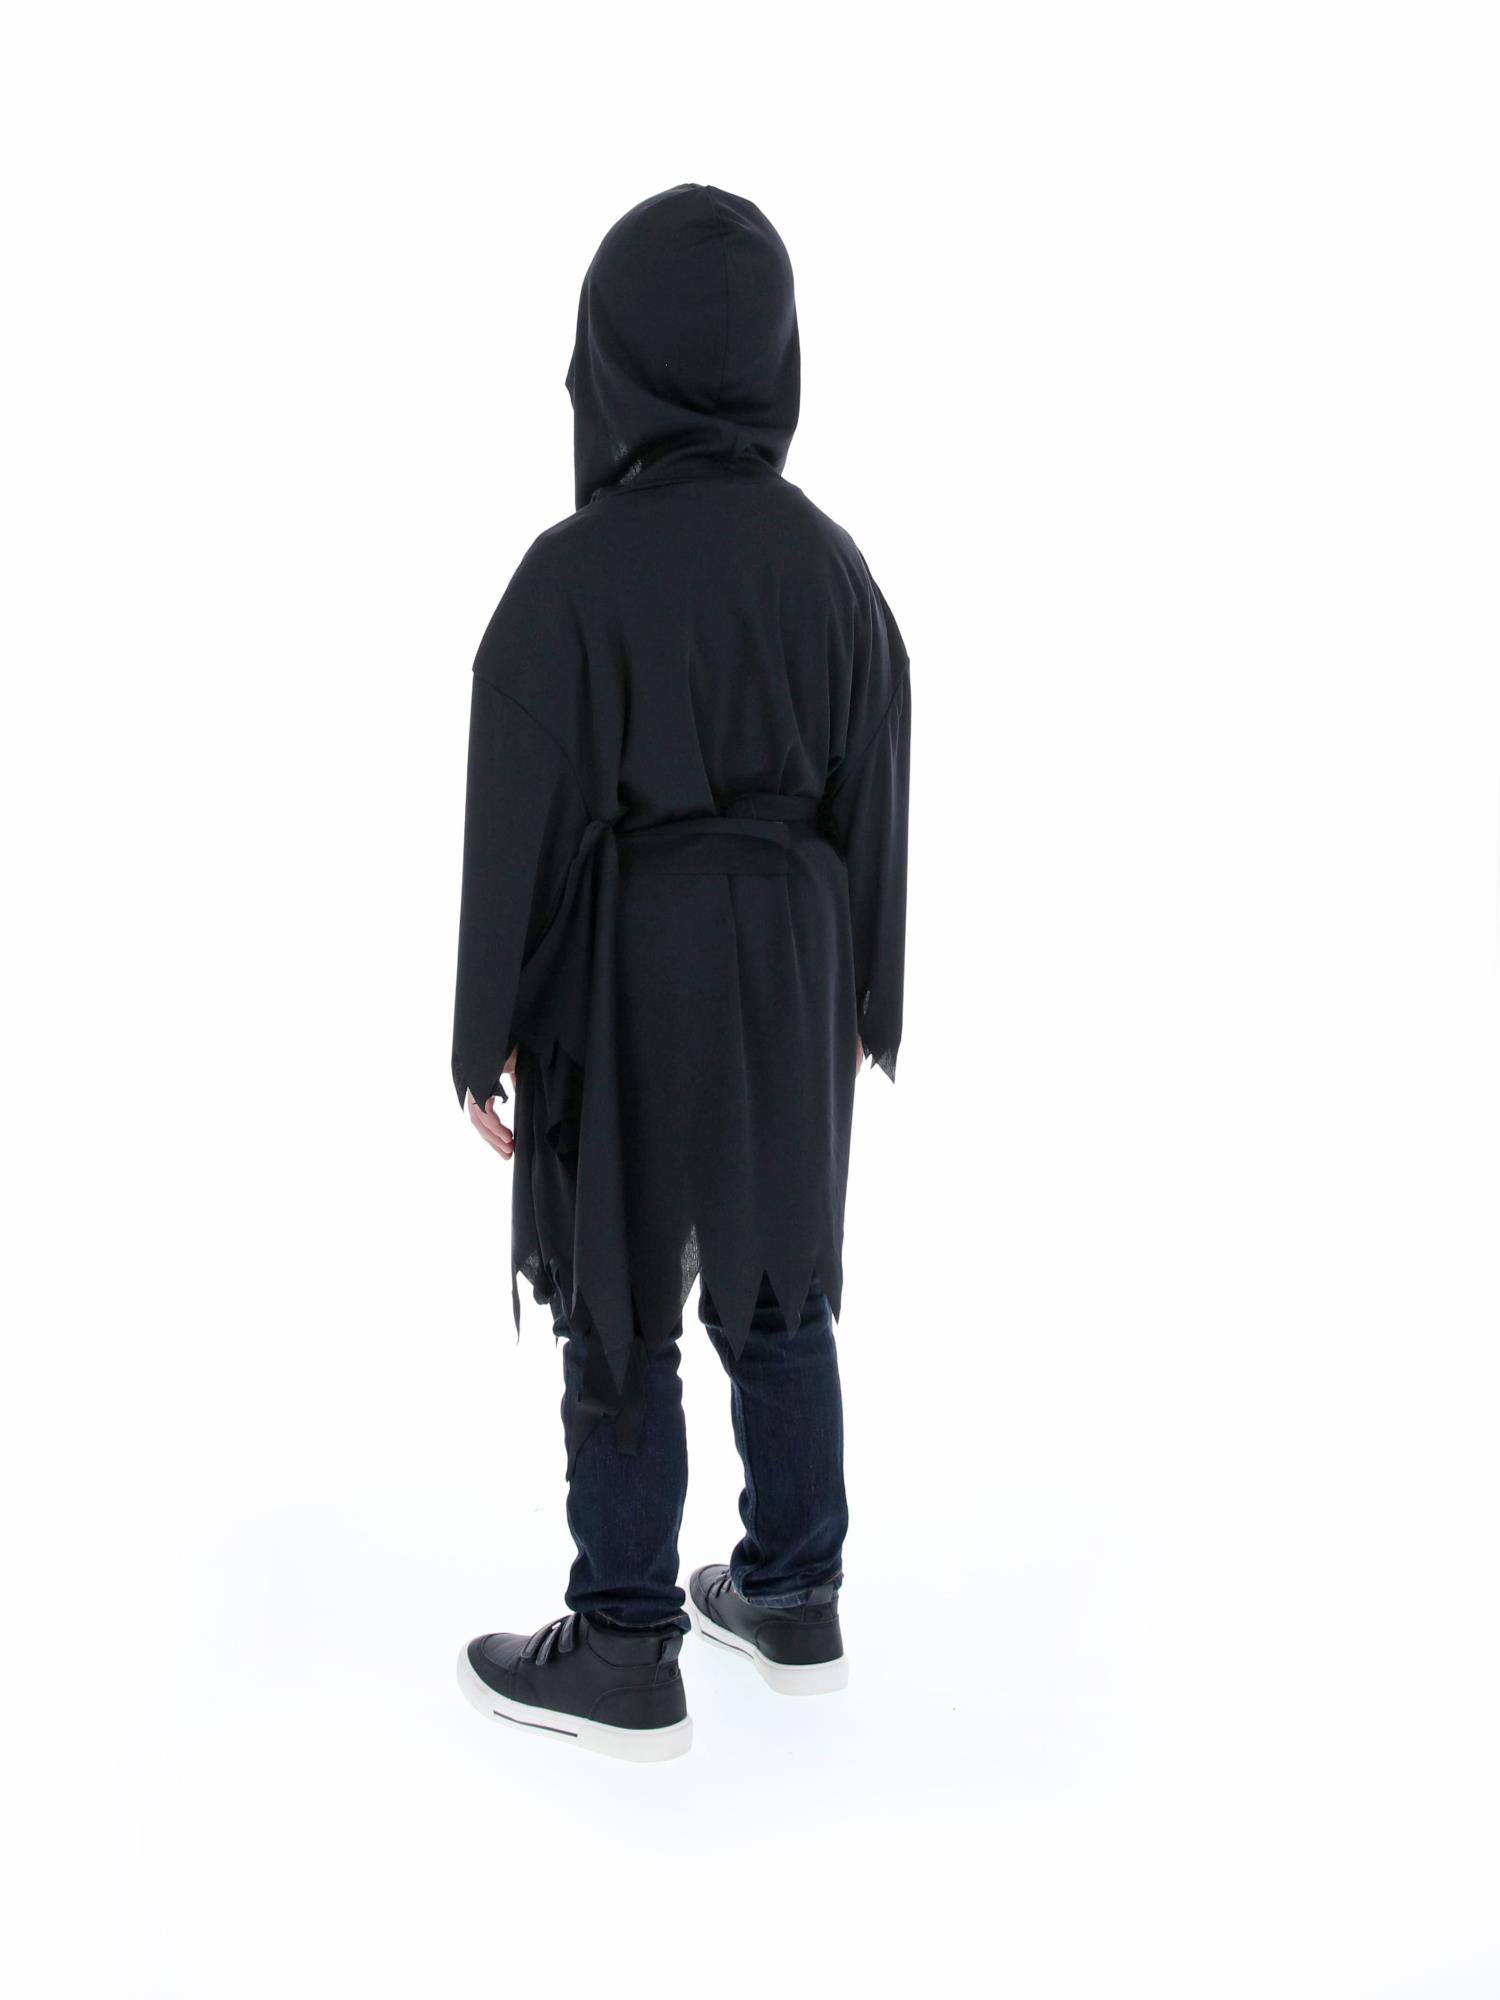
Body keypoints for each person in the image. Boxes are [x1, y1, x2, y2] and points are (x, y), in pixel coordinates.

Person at [451, 184, 911, 1760]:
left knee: (622, 1291)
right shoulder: (836, 571)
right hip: (796, 952)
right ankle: (793, 1590)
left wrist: (484, 1032)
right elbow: (877, 791)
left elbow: (517, 805)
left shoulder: (573, 575)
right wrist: (865, 998)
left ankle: (628, 1638)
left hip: (629, 956)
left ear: (613, 357)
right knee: (779, 1285)